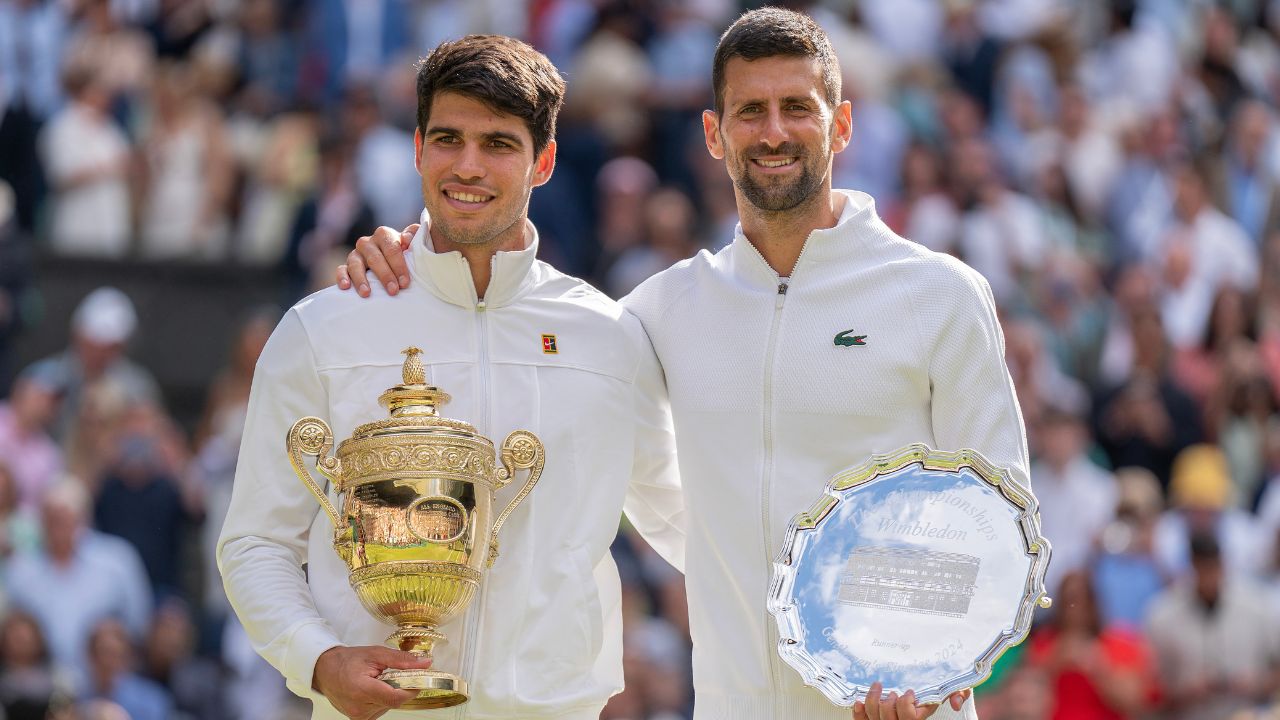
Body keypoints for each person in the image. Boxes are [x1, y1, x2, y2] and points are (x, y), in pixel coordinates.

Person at [339, 9, 1016, 720]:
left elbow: (1001, 513)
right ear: (713, 134)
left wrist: (927, 665)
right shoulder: (658, 311)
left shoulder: (939, 294)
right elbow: (517, 322)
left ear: (841, 125)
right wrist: (416, 262)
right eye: (750, 110)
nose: (774, 132)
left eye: (797, 108)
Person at [218, 35, 685, 720]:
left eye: (498, 144)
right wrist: (317, 658)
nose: (467, 166)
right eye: (448, 139)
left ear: (544, 161)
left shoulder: (609, 337)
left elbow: (686, 522)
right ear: (417, 148)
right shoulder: (323, 328)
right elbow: (256, 541)